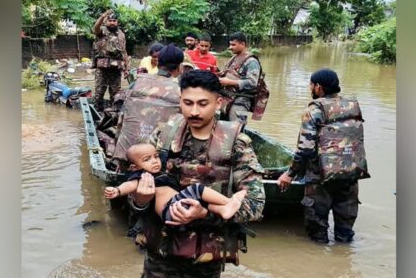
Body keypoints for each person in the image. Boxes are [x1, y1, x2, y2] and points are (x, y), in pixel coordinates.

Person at [128, 70, 265, 277]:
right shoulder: (162, 136)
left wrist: (205, 213)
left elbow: (255, 203)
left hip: (205, 258)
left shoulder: (236, 143)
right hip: (161, 255)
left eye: (202, 104)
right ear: (180, 100)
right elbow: (133, 190)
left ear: (218, 103)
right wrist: (140, 199)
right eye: (187, 103)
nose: (193, 112)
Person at [277, 68, 369, 244]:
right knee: (345, 231)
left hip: (321, 176)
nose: (310, 88)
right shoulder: (352, 105)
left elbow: (305, 149)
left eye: (311, 85)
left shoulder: (314, 110)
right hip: (350, 171)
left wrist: (289, 174)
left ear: (318, 87)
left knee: (317, 232)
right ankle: (343, 261)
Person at [105, 143, 247, 222]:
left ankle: (223, 209)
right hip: (170, 210)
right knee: (197, 188)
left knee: (199, 200)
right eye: (147, 159)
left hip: (176, 207)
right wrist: (117, 191)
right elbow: (130, 185)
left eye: (156, 157)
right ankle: (228, 201)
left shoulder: (159, 173)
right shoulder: (141, 176)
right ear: (134, 167)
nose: (155, 161)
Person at [218, 32, 261, 125]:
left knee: (236, 126)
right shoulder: (233, 58)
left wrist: (230, 82)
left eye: (233, 44)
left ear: (243, 44)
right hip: (228, 97)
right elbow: (226, 72)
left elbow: (252, 83)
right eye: (230, 44)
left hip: (242, 99)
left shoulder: (252, 61)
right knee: (222, 124)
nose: (230, 47)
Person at [92, 10, 129, 111]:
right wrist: (102, 16)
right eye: (110, 20)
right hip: (102, 68)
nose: (112, 22)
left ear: (117, 22)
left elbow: (124, 52)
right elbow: (95, 28)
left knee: (116, 94)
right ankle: (97, 113)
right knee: (99, 92)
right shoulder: (102, 31)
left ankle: (114, 114)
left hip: (116, 69)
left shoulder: (121, 35)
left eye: (114, 20)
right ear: (106, 22)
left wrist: (127, 69)